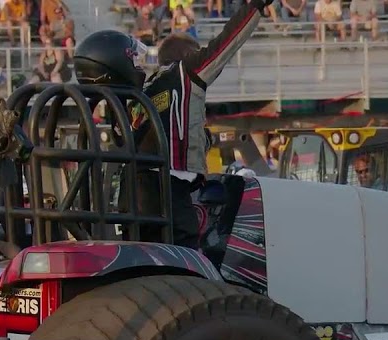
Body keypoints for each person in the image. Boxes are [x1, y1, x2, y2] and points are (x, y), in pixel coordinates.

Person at [72, 0, 273, 249]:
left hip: (132, 193)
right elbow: (226, 43)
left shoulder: (142, 92)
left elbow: (159, 134)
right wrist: (255, 7)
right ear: (189, 56)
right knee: (186, 264)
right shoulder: (186, 74)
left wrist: (205, 138)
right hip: (167, 192)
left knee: (143, 263)